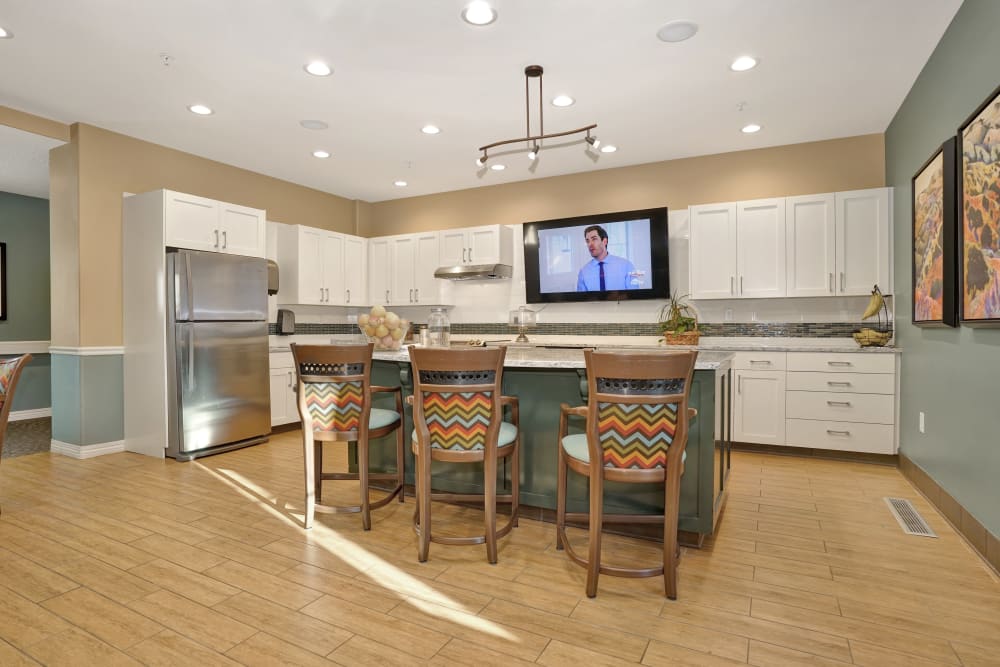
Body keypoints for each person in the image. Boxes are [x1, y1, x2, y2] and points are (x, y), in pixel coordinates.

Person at [576, 225, 637, 291]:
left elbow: (634, 296)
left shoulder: (626, 266)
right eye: (587, 241)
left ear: (605, 241)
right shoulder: (583, 272)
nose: (590, 244)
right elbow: (582, 300)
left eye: (594, 239)